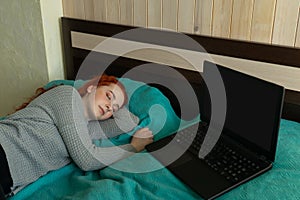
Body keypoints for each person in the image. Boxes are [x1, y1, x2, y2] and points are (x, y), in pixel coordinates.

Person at [0, 74, 153, 199]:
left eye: (114, 109)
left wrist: (118, 99)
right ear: (91, 87)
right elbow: (87, 159)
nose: (109, 107)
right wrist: (133, 147)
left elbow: (130, 122)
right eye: (108, 96)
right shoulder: (68, 95)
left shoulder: (86, 129)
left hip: (8, 180)